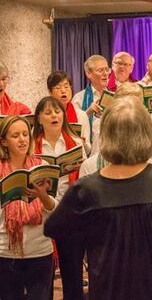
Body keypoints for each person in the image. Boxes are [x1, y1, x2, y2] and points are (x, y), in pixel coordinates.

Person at [44, 96, 152, 300]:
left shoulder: (85, 190)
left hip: (109, 290)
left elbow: (53, 228)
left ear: (106, 136)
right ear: (147, 134)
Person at [33, 96, 86, 300]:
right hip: (43, 214)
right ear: (39, 119)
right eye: (48, 112)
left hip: (71, 214)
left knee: (73, 275)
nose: (54, 115)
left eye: (57, 111)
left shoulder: (77, 144)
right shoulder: (32, 147)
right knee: (44, 277)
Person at [0, 115, 56, 300]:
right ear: (4, 141)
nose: (22, 139)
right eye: (15, 135)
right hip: (5, 252)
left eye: (25, 134)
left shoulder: (41, 166)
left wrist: (42, 194)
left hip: (39, 250)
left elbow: (53, 210)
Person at [79, 82, 152, 176]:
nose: (131, 109)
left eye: (136, 105)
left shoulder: (150, 126)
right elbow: (98, 158)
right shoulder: (106, 125)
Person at [72, 55, 110, 155]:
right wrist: (87, 113)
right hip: (91, 155)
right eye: (100, 70)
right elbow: (73, 131)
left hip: (113, 152)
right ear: (89, 73)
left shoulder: (115, 96)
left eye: (107, 69)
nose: (105, 74)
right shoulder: (79, 98)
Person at [47, 70, 91, 155]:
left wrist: (83, 143)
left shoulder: (81, 116)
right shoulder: (45, 115)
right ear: (50, 92)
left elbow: (88, 150)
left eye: (66, 87)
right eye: (58, 88)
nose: (63, 91)